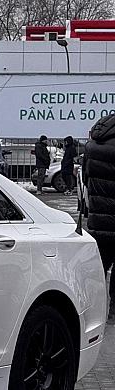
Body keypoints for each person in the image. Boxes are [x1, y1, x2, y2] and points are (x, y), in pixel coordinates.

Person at [83, 114, 115, 290]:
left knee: (97, 273)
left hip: (98, 221)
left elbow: (86, 179)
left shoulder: (93, 144)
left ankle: (93, 312)